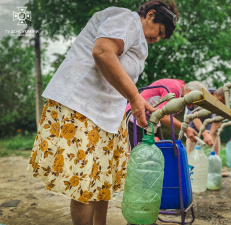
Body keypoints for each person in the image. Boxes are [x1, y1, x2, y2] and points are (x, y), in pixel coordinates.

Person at [27, 1, 179, 225]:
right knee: (84, 183)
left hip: (107, 115)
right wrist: (135, 98)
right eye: (160, 32)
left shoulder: (139, 41)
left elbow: (121, 76)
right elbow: (102, 51)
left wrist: (135, 99)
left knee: (102, 181)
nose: (157, 39)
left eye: (161, 38)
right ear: (150, 15)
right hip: (81, 106)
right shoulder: (127, 20)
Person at [126, 79, 205, 150]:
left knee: (161, 151)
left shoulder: (181, 94)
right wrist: (186, 128)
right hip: (135, 116)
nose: (193, 105)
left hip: (152, 121)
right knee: (137, 155)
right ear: (190, 92)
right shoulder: (175, 88)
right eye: (194, 102)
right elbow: (164, 117)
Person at [185, 87, 225, 154]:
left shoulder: (224, 100)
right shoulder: (202, 94)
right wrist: (205, 135)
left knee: (215, 133)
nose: (220, 103)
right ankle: (190, 159)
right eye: (219, 101)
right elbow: (195, 117)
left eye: (222, 103)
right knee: (192, 133)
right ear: (215, 94)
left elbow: (219, 119)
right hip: (194, 113)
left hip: (209, 114)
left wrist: (210, 135)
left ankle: (215, 157)